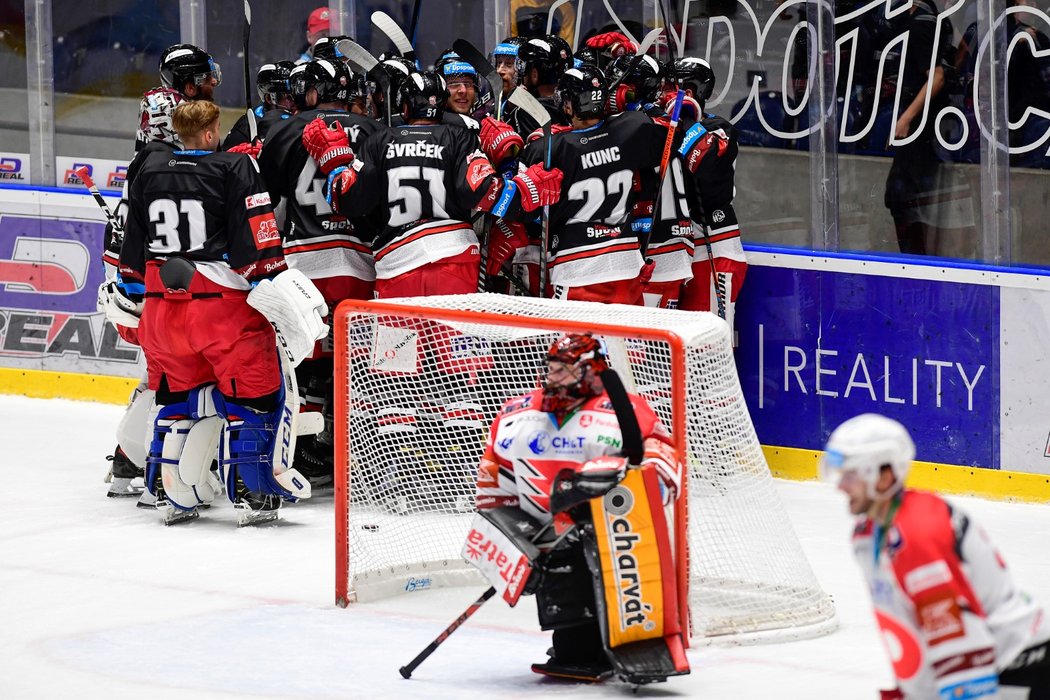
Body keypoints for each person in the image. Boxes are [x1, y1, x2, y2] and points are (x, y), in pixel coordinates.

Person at [118, 100, 327, 526]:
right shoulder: (235, 169)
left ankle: (167, 490)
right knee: (255, 399)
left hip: (161, 308)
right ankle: (253, 494)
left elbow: (131, 259)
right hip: (220, 310)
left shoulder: (149, 170)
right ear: (213, 132)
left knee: (175, 399)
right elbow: (260, 253)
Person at [473, 332, 688, 684]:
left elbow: (665, 468)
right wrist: (512, 543)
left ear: (591, 372)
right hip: (545, 535)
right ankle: (574, 646)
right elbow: (493, 485)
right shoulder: (516, 414)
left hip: (615, 533)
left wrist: (608, 479)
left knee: (602, 557)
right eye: (551, 368)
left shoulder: (627, 410)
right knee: (569, 621)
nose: (552, 377)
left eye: (564, 370)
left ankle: (639, 641)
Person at [823, 414, 1050, 699]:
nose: (840, 486)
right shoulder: (867, 535)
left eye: (851, 475)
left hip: (1016, 662)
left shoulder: (918, 535)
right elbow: (912, 622)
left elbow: (957, 639)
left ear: (884, 476)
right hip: (988, 662)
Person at [308, 69, 561, 298]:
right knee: (452, 347)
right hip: (454, 256)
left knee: (397, 349)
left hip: (397, 262)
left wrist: (335, 164)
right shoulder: (459, 137)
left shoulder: (380, 140)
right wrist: (520, 187)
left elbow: (350, 200)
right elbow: (480, 191)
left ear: (404, 107)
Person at [259, 58, 382, 488]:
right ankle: (362, 458)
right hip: (360, 264)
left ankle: (299, 452)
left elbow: (260, 198)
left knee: (299, 360)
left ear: (311, 91)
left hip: (303, 266)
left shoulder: (285, 129)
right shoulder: (372, 130)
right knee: (359, 364)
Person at [484, 65, 677, 303]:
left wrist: (506, 163)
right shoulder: (633, 127)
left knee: (581, 342)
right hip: (627, 264)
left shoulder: (549, 148)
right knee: (627, 340)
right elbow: (669, 132)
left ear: (567, 105)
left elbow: (524, 208)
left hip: (577, 268)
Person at [668, 57, 747, 330]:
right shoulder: (660, 126)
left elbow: (707, 164)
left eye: (670, 86)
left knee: (707, 344)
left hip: (713, 244)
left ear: (689, 91)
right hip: (673, 250)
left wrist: (687, 120)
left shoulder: (719, 128)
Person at [222, 60, 297, 150]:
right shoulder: (246, 127)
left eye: (298, 95)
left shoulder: (307, 118)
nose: (296, 102)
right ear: (269, 99)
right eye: (289, 97)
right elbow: (226, 160)